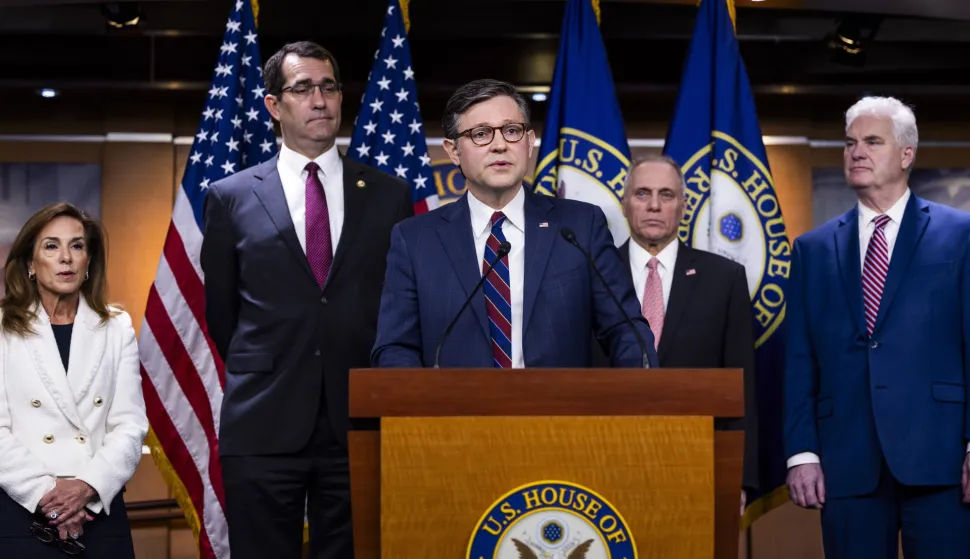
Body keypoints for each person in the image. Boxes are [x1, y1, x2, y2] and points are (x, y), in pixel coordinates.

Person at [201, 41, 412, 559]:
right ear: (274, 106)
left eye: (329, 87)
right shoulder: (231, 196)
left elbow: (397, 304)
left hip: (358, 415)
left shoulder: (389, 194)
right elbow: (222, 313)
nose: (320, 100)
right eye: (302, 89)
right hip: (263, 418)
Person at [784, 96, 970, 557]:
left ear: (907, 154)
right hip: (847, 462)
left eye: (872, 142)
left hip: (942, 458)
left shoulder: (960, 235)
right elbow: (798, 359)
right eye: (849, 143)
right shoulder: (813, 249)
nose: (856, 152)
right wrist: (802, 452)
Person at [371, 78, 657, 369]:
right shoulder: (416, 239)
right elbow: (396, 347)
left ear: (529, 141)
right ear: (453, 150)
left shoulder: (580, 227)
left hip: (560, 411)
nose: (500, 145)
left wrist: (644, 400)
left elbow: (625, 331)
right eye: (481, 134)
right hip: (453, 412)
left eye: (511, 131)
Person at [591, 154, 758, 511]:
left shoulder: (724, 279)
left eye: (666, 195)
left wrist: (739, 476)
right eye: (642, 194)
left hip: (698, 462)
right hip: (605, 465)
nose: (654, 205)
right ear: (623, 203)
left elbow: (742, 382)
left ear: (684, 205)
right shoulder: (591, 276)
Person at [0, 202, 147, 558]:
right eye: (51, 246)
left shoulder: (117, 327)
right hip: (23, 510)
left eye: (77, 245)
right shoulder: (3, 327)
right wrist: (46, 495)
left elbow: (130, 425)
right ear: (31, 264)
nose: (66, 257)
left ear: (88, 261)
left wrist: (86, 487)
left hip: (97, 507)